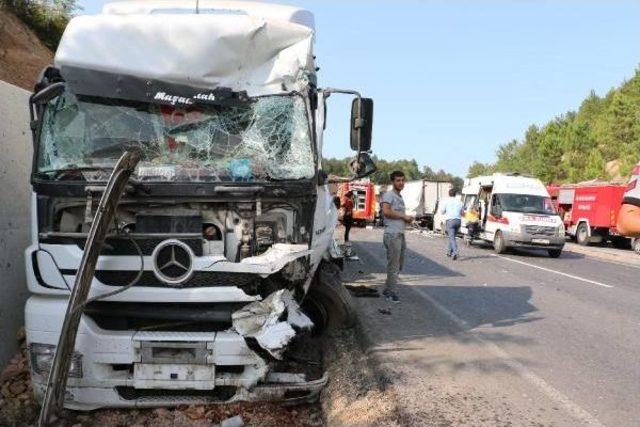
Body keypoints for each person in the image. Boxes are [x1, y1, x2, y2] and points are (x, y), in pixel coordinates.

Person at [381, 171, 414, 303]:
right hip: (392, 234)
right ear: (392, 182)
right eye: (398, 180)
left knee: (398, 265)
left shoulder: (399, 196)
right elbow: (386, 211)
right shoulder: (389, 195)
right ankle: (390, 293)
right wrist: (403, 216)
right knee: (394, 266)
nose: (401, 183)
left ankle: (387, 288)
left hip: (400, 234)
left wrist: (407, 219)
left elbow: (396, 214)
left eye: (402, 180)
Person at [439, 188, 464, 260]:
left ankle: (455, 252)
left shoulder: (446, 201)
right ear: (455, 194)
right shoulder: (460, 202)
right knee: (452, 237)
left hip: (450, 221)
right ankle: (449, 252)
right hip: (458, 221)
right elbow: (462, 213)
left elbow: (442, 211)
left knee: (452, 237)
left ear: (449, 194)